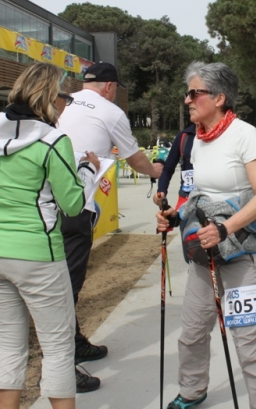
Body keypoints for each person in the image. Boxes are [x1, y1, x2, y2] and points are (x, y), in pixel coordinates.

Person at [156, 61, 256, 409]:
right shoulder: (197, 139)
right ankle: (192, 392)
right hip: (206, 253)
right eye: (188, 93)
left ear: (219, 97)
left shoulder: (244, 134)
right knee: (193, 333)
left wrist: (226, 227)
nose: (187, 100)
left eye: (194, 93)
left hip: (244, 253)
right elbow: (200, 194)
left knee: (248, 342)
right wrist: (176, 214)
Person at [0, 62, 100, 408]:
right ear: (49, 96)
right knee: (58, 347)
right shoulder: (53, 140)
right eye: (66, 98)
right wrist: (89, 170)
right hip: (37, 253)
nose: (67, 105)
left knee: (10, 343)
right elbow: (73, 204)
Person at [57, 61, 163, 386]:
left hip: (45, 203)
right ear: (110, 87)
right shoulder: (111, 111)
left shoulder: (65, 104)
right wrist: (157, 172)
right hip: (75, 204)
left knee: (61, 279)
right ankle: (64, 367)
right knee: (67, 285)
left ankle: (74, 343)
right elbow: (134, 158)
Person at [153, 123, 197, 211]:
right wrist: (161, 191)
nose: (191, 109)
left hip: (214, 199)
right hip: (186, 197)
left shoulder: (225, 135)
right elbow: (168, 168)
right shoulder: (184, 136)